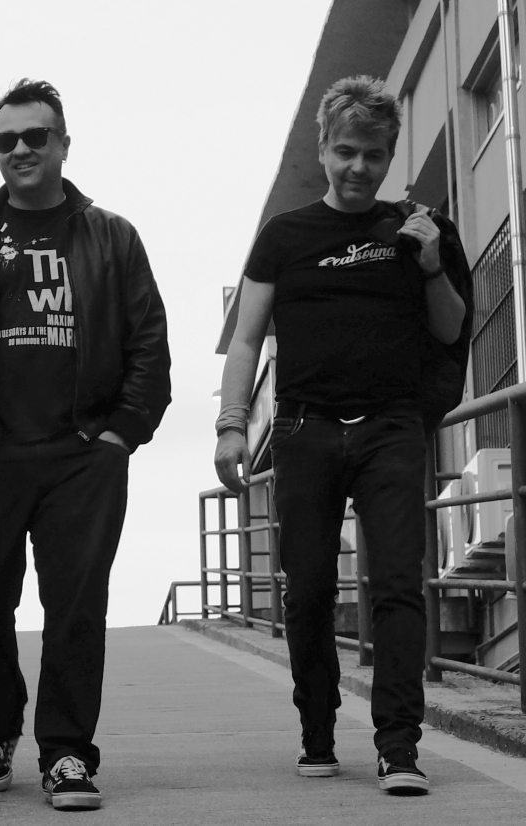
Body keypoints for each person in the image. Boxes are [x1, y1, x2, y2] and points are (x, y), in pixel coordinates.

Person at [0, 78, 171, 812]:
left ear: (63, 144)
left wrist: (119, 436)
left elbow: (149, 344)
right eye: (6, 140)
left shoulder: (112, 237)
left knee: (76, 608)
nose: (19, 149)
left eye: (35, 136)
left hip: (82, 455)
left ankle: (66, 753)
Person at [214, 75, 470, 795]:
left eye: (375, 155)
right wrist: (231, 427)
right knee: (308, 591)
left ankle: (399, 746)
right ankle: (318, 732)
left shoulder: (422, 229)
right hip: (306, 430)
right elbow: (246, 340)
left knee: (397, 586)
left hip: (391, 428)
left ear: (390, 155)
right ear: (324, 148)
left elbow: (451, 328)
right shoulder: (285, 236)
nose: (360, 168)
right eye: (347, 152)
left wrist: (430, 265)